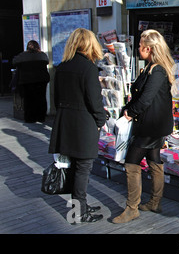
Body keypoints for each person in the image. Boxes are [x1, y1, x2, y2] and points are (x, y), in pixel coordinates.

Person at [112, 29, 175, 224]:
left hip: (151, 126)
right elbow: (141, 96)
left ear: (148, 48)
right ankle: (155, 202)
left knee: (131, 162)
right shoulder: (151, 67)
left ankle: (132, 208)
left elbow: (146, 99)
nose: (138, 49)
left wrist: (130, 113)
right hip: (152, 124)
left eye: (140, 46)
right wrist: (127, 108)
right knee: (154, 159)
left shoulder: (157, 70)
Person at [49, 28, 107, 223]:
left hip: (65, 122)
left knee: (74, 167)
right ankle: (79, 213)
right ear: (90, 44)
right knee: (83, 168)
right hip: (84, 124)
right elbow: (95, 101)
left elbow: (56, 98)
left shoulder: (62, 66)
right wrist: (101, 121)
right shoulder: (89, 68)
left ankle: (79, 207)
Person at [12, 40, 50, 123]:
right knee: (41, 98)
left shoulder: (23, 55)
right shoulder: (42, 55)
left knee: (29, 100)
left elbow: (14, 61)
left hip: (27, 80)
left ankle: (30, 118)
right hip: (41, 80)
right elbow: (47, 61)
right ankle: (41, 117)